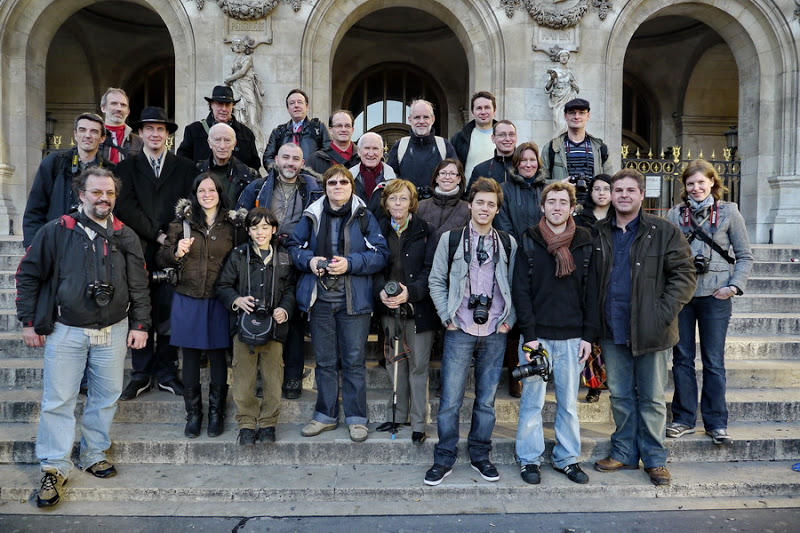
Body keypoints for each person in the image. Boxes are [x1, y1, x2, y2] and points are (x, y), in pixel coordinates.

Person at [16, 167, 150, 508]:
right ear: (81, 194)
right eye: (96, 192)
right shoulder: (57, 231)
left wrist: (140, 325)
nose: (103, 198)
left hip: (114, 329)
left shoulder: (126, 235)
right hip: (66, 329)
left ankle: (94, 452)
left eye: (109, 193)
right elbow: (28, 274)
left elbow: (139, 284)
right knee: (58, 399)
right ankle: (54, 466)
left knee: (105, 396)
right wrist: (29, 322)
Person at [592, 168, 696, 487]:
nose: (623, 195)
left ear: (641, 195)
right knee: (621, 396)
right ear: (611, 195)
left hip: (651, 330)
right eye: (617, 190)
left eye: (629, 190)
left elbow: (684, 275)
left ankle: (654, 459)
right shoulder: (598, 232)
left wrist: (661, 313)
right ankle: (623, 452)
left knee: (651, 397)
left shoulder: (664, 231)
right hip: (612, 329)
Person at [425, 177, 517, 486]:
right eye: (480, 202)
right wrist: (447, 316)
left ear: (497, 209)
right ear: (470, 204)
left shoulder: (507, 242)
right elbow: (436, 280)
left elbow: (518, 286)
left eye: (491, 204)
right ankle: (444, 457)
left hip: (495, 330)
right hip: (459, 328)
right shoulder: (451, 239)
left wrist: (509, 320)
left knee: (486, 400)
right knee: (450, 399)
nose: (485, 208)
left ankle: (480, 455)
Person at [287, 165, 389, 443]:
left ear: (351, 186)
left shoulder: (363, 215)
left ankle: (357, 418)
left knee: (355, 362)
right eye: (332, 182)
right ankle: (325, 416)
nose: (338, 186)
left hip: (354, 300)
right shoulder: (312, 215)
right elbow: (294, 248)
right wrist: (311, 261)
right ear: (325, 186)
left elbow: (381, 254)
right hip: (319, 300)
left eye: (344, 182)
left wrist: (350, 263)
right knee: (325, 361)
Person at [512, 181, 596, 485]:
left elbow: (592, 290)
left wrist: (588, 336)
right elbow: (521, 290)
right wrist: (530, 336)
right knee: (532, 402)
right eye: (552, 202)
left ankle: (566, 458)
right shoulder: (530, 240)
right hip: (538, 338)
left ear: (572, 207)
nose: (557, 207)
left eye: (563, 202)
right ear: (542, 206)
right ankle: (529, 459)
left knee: (568, 404)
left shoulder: (585, 239)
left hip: (573, 338)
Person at [666, 159, 753, 445]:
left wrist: (733, 286)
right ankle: (683, 418)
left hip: (716, 295)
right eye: (690, 183)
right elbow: (665, 256)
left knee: (714, 361)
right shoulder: (675, 214)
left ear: (712, 182)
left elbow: (744, 255)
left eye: (701, 182)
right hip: (683, 296)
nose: (696, 188)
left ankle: (716, 422)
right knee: (682, 359)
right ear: (685, 187)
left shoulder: (730, 212)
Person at [115, 107, 197, 400]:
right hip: (136, 249)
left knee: (168, 311)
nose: (154, 134)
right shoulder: (125, 168)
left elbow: (189, 206)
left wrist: (171, 237)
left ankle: (165, 370)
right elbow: (124, 207)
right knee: (139, 308)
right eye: (149, 128)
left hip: (172, 251)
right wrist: (156, 234)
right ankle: (140, 372)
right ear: (140, 133)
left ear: (168, 135)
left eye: (160, 129)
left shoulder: (186, 168)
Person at [156, 173, 241, 438]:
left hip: (219, 297)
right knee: (190, 356)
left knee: (217, 356)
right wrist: (175, 252)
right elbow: (160, 258)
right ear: (195, 193)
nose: (207, 194)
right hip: (187, 296)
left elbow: (240, 259)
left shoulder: (232, 224)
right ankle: (194, 413)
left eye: (212, 190)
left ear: (219, 192)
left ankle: (217, 412)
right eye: (201, 190)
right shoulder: (181, 223)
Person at [236, 142, 322, 399]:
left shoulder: (312, 188)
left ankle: (293, 376)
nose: (290, 163)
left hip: (296, 255)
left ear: (302, 162)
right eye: (285, 157)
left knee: (291, 315)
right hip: (264, 253)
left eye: (295, 158)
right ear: (275, 159)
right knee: (262, 313)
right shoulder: (258, 186)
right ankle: (263, 377)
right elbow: (241, 217)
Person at [216, 207, 296, 445]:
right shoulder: (239, 255)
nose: (260, 232)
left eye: (265, 227)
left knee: (273, 378)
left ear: (273, 230)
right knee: (243, 378)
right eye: (254, 228)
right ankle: (247, 423)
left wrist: (285, 308)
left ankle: (269, 423)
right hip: (244, 328)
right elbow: (223, 285)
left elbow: (291, 289)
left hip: (274, 328)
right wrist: (236, 300)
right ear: (248, 231)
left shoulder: (283, 257)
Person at [373, 179, 438, 444]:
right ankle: (399, 416)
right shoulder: (377, 230)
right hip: (389, 308)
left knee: (418, 366)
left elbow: (431, 269)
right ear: (385, 203)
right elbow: (374, 267)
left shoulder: (426, 230)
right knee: (394, 363)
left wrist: (410, 291)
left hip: (418, 308)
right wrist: (380, 292)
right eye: (392, 199)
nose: (397, 204)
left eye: (402, 199)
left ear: (411, 202)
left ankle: (419, 423)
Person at [493, 142, 548, 397]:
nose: (528, 164)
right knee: (516, 319)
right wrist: (524, 249)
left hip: (546, 260)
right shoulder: (505, 190)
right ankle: (515, 375)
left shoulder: (546, 189)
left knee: (538, 317)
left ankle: (539, 368)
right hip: (514, 259)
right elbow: (503, 225)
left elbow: (553, 220)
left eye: (532, 160)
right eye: (523, 160)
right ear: (516, 164)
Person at [23, 112, 113, 248]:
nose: (87, 135)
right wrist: (33, 247)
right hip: (57, 244)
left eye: (94, 131)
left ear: (102, 138)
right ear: (75, 134)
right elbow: (34, 209)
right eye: (82, 130)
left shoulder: (110, 171)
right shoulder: (54, 163)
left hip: (96, 247)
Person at [574, 173, 612, 403]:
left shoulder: (620, 218)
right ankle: (594, 384)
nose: (601, 193)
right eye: (597, 189)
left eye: (606, 189)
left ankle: (611, 378)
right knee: (592, 336)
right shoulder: (581, 219)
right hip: (587, 280)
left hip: (612, 280)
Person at [177, 86, 260, 171]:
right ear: (211, 105)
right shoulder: (194, 130)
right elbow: (183, 161)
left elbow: (254, 164)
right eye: (220, 104)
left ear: (233, 106)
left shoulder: (246, 133)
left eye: (228, 105)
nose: (224, 109)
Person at [540, 98, 612, 191]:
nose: (576, 117)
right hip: (563, 203)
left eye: (581, 113)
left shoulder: (600, 148)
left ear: (588, 116)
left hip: (592, 204)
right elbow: (541, 181)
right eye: (572, 113)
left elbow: (611, 181)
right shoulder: (552, 147)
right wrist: (559, 184)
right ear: (565, 116)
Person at [386, 99, 457, 190]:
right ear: (410, 120)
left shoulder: (444, 146)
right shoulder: (400, 146)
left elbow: (454, 177)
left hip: (437, 203)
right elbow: (390, 181)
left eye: (426, 117)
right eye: (417, 117)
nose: (421, 121)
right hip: (407, 202)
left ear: (433, 119)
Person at [263, 88, 330, 166]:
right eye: (292, 103)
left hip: (312, 176)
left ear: (307, 106)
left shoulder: (319, 128)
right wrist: (280, 170)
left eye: (300, 102)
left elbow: (328, 154)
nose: (296, 105)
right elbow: (267, 158)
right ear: (288, 109)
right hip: (285, 176)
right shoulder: (278, 132)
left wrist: (313, 171)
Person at [196, 123, 258, 206]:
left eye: (227, 140)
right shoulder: (196, 171)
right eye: (217, 140)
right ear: (209, 143)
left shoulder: (249, 175)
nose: (222, 146)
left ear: (234, 144)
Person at [224, 37, 266, 155]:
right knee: (238, 119)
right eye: (235, 43)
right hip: (236, 89)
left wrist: (229, 79)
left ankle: (258, 145)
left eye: (240, 43)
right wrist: (228, 79)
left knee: (252, 120)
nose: (237, 45)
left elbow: (242, 72)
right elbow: (230, 74)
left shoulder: (248, 58)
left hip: (247, 89)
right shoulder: (234, 61)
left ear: (244, 46)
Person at [416, 158, 470, 243]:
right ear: (436, 178)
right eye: (443, 173)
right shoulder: (420, 206)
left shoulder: (468, 209)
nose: (447, 177)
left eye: (452, 173)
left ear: (459, 179)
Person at [450, 91, 498, 182]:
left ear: (494, 110)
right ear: (472, 112)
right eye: (479, 108)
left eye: (487, 107)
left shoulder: (505, 137)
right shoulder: (460, 138)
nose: (483, 112)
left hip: (499, 193)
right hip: (469, 193)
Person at [349, 131, 396, 216]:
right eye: (367, 148)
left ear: (382, 152)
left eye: (375, 148)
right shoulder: (348, 178)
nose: (371, 154)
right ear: (359, 151)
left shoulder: (393, 180)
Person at [465, 120, 518, 191]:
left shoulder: (525, 167)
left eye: (511, 134)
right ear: (493, 138)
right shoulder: (480, 170)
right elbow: (470, 198)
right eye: (502, 135)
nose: (508, 139)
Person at [98, 87, 142, 164]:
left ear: (128, 111)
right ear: (103, 108)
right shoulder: (94, 137)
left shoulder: (139, 142)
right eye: (114, 103)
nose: (119, 108)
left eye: (123, 105)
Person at [545, 50, 579, 135]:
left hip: (568, 99)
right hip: (558, 100)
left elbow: (577, 90)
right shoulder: (555, 72)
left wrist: (573, 85)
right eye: (562, 56)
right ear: (559, 58)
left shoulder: (570, 73)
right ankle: (557, 144)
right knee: (559, 122)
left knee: (567, 123)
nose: (564, 58)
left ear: (568, 58)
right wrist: (552, 79)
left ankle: (564, 144)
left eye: (565, 56)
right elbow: (547, 88)